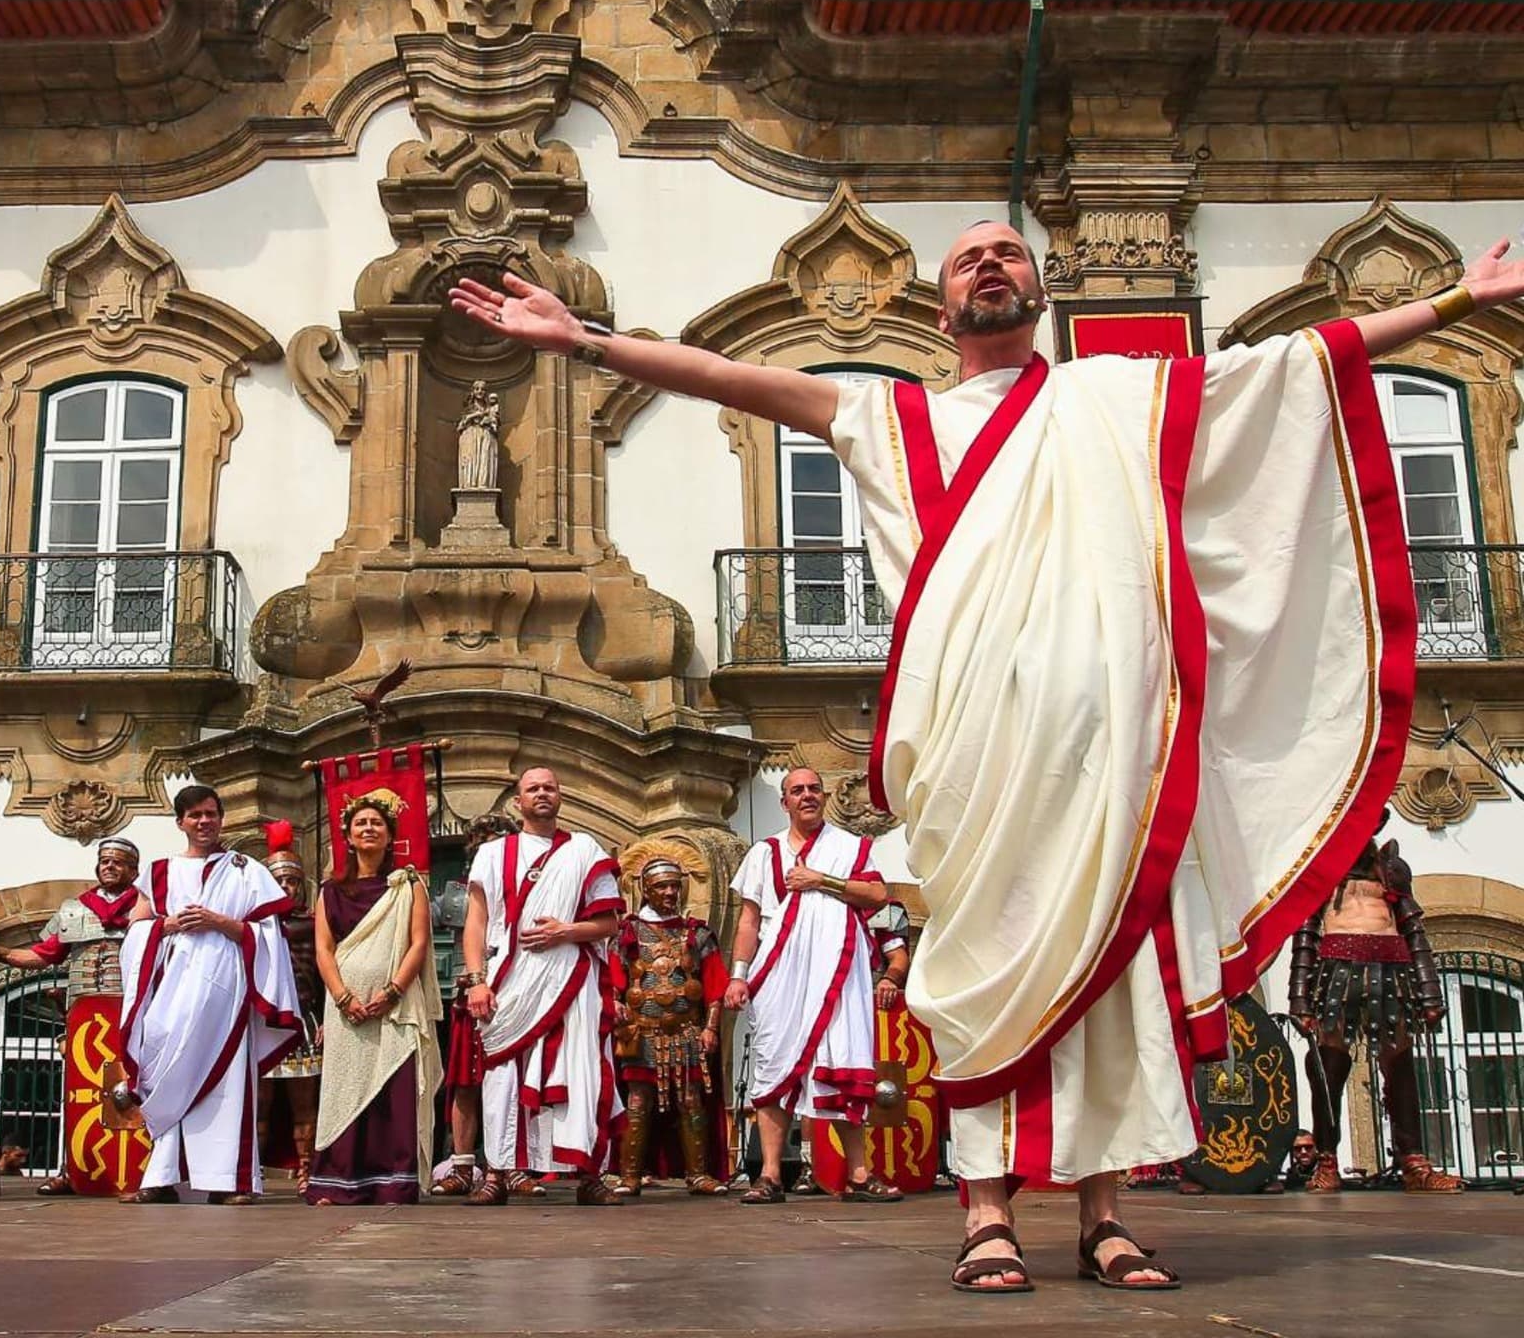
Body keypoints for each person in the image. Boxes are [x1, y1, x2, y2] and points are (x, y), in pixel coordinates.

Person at [450, 227, 1524, 1290]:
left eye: (1009, 254)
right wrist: (586, 339)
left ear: (1040, 292)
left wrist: (1460, 304)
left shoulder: (1110, 401)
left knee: (1111, 986)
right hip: (971, 753)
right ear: (941, 305)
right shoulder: (893, 413)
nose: (991, 266)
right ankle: (987, 1213)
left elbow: (1294, 363)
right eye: (968, 260)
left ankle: (1105, 1218)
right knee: (980, 971)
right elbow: (733, 376)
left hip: (1109, 762)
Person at [118, 785, 301, 1204]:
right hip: (173, 988)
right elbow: (137, 928)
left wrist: (219, 921)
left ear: (221, 818)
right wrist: (169, 924)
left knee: (228, 1080)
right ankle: (161, 1178)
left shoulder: (245, 869)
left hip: (225, 989)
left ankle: (229, 1183)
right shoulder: (160, 871)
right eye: (196, 815)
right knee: (164, 1075)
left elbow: (268, 935)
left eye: (212, 814)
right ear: (180, 822)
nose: (205, 822)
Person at [725, 769, 893, 1205]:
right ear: (784, 803)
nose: (807, 796)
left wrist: (823, 881)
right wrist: (739, 974)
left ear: (824, 796)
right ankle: (771, 1175)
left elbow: (877, 896)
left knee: (842, 1062)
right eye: (796, 790)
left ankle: (858, 1174)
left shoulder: (849, 847)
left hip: (838, 974)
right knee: (774, 1065)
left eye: (814, 789)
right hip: (781, 975)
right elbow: (748, 921)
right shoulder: (765, 853)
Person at [460, 766, 625, 1206]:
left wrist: (565, 932)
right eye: (533, 788)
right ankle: (496, 1171)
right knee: (501, 1076)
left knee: (583, 1070)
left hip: (572, 979)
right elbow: (475, 922)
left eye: (549, 787)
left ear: (560, 796)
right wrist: (477, 981)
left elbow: (610, 923)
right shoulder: (494, 854)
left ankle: (590, 1176)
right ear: (518, 801)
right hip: (508, 982)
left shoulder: (584, 851)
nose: (542, 794)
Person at [1289, 823, 1461, 1194]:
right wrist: (1300, 1000)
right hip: (1336, 971)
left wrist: (1430, 994)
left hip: (1391, 971)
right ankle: (1327, 1160)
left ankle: (1413, 1162)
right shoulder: (1322, 869)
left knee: (1400, 1067)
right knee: (1328, 1068)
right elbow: (1305, 935)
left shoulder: (1391, 871)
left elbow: (1414, 931)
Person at [307, 791, 443, 1206]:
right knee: (344, 1089)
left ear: (389, 836)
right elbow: (324, 950)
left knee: (392, 1093)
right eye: (360, 824)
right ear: (347, 836)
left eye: (377, 824)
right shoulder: (330, 891)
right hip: (346, 1007)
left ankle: (392, 1183)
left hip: (394, 1006)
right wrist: (343, 996)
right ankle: (335, 1181)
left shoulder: (407, 884)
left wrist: (393, 990)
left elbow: (418, 943)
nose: (368, 829)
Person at [0, 836, 141, 1196]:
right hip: (84, 1012)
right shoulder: (75, 909)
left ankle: (141, 1172)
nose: (109, 865)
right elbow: (42, 955)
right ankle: (72, 1171)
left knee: (131, 1092)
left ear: (133, 870)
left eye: (118, 861)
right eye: (104, 860)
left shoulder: (146, 907)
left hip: (131, 1008)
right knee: (77, 1095)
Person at [609, 857, 730, 1197]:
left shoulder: (697, 932)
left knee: (691, 1100)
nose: (669, 892)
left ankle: (699, 1174)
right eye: (662, 886)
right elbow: (614, 979)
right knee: (637, 1101)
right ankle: (630, 1175)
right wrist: (615, 1004)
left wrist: (711, 1028)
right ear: (646, 889)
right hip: (642, 1029)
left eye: (675, 885)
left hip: (686, 1030)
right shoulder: (628, 931)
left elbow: (714, 986)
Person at [791, 896, 911, 1198]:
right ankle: (809, 1165)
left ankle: (861, 1171)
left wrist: (889, 979)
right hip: (817, 1002)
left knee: (857, 1087)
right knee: (813, 1083)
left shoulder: (881, 909)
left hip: (860, 1008)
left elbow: (897, 956)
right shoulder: (813, 900)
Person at [430, 814, 507, 1198]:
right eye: (483, 844)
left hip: (513, 991)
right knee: (464, 1081)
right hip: (467, 996)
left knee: (509, 1082)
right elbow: (417, 929)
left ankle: (509, 1167)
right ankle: (462, 1164)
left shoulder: (523, 889)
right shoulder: (455, 893)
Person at [257, 822, 324, 1198]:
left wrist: (328, 1018)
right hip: (266, 1022)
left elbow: (328, 973)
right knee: (260, 1105)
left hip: (303, 1019)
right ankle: (253, 1172)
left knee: (304, 1104)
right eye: (280, 881)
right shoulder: (251, 925)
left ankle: (306, 1172)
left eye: (292, 882)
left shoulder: (315, 925)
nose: (286, 889)